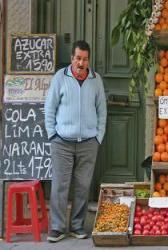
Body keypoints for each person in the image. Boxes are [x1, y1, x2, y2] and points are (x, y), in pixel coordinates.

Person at [45, 40, 107, 243]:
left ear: (89, 60)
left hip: (88, 142)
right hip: (61, 141)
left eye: (85, 59)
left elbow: (102, 112)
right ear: (72, 58)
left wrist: (98, 137)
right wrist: (52, 135)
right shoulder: (60, 78)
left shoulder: (95, 79)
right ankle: (57, 227)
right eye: (78, 58)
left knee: (83, 186)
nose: (81, 63)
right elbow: (50, 108)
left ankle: (78, 225)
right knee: (60, 186)